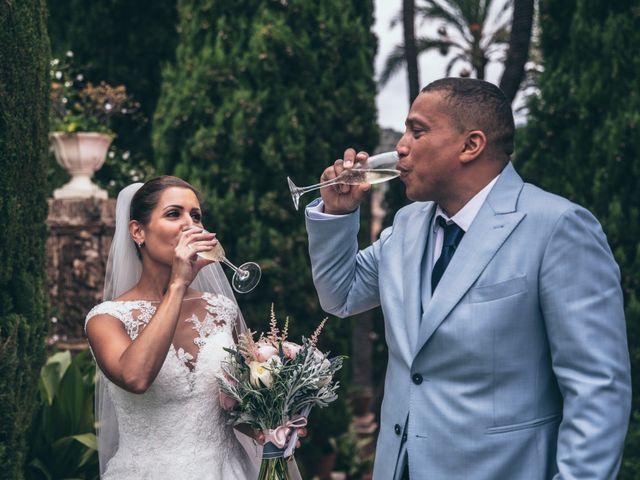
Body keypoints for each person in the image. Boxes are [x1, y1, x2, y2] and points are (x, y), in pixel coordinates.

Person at [304, 78, 631, 479]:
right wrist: (337, 216)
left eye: (417, 130)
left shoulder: (558, 228)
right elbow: (342, 294)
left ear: (470, 145)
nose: (401, 146)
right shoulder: (407, 225)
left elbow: (597, 388)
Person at [85, 176, 261, 479]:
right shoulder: (106, 319)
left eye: (196, 216)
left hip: (226, 470)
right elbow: (136, 377)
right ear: (138, 231)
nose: (190, 224)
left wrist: (273, 419)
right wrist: (178, 284)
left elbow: (235, 409)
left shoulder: (222, 310)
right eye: (173, 214)